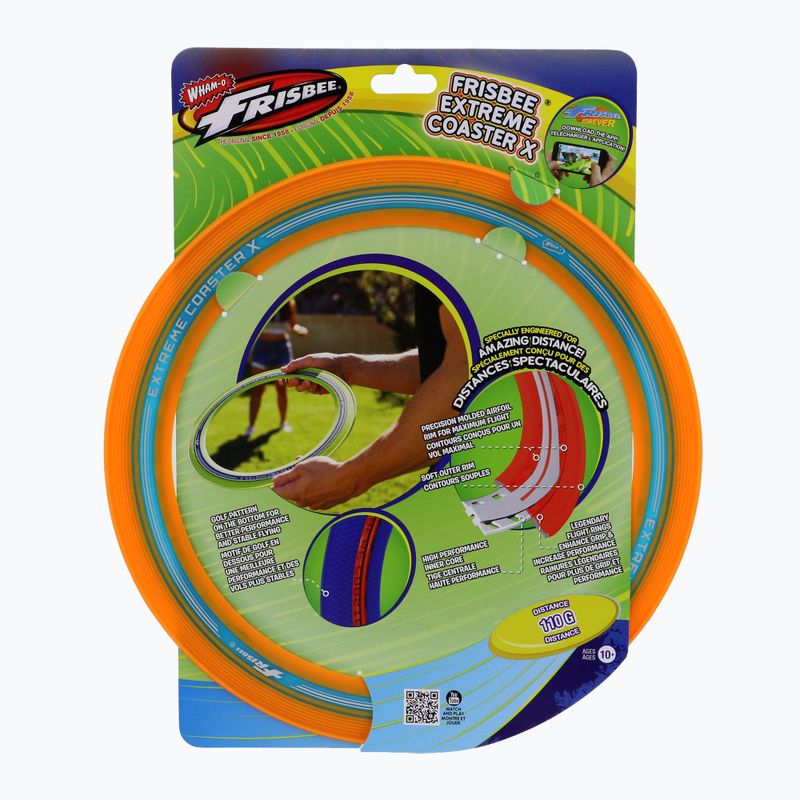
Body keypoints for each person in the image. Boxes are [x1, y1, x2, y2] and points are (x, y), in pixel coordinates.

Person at [272, 289, 467, 510]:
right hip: (467, 479)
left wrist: (347, 478)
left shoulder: (462, 268)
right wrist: (345, 368)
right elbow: (445, 362)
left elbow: (466, 376)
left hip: (492, 484)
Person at [244, 298, 308, 437]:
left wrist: (300, 330)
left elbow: (293, 325)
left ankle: (283, 422)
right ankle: (251, 426)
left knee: (282, 388)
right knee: (257, 389)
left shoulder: (290, 303)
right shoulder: (263, 301)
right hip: (263, 347)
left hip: (282, 348)